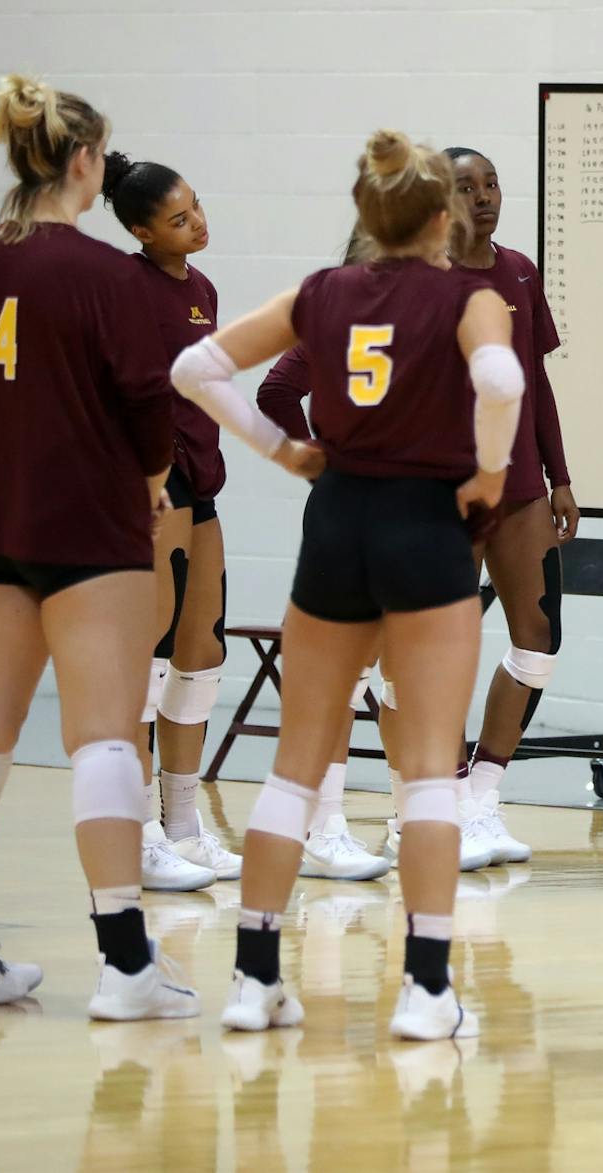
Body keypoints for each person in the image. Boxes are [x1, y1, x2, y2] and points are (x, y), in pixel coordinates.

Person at [175, 131, 521, 1041]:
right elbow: (501, 375)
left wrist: (283, 450)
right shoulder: (469, 295)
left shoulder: (322, 293)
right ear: (441, 218)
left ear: (366, 217)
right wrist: (489, 472)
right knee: (426, 774)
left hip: (336, 524)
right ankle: (426, 989)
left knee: (296, 762)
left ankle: (254, 980)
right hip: (425, 530)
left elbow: (196, 369)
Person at [0, 73, 175, 1017]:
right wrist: (153, 476)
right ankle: (125, 965)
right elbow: (151, 401)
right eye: (101, 154)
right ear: (81, 161)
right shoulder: (107, 274)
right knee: (104, 738)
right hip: (88, 528)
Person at [100, 151, 241, 886]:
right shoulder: (125, 284)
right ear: (140, 230)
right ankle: (142, 834)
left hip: (203, 476)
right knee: (148, 656)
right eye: (178, 218)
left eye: (198, 208)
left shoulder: (205, 286)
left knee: (203, 647)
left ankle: (186, 825)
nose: (197, 224)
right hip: (151, 482)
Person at [254, 228, 401, 883]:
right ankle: (323, 823)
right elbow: (272, 392)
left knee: (402, 667)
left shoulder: (426, 315)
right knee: (349, 671)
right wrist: (311, 460)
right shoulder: (336, 318)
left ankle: (407, 816)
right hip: (352, 508)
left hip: (410, 508)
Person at [446, 146, 578, 869]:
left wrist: (560, 473)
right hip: (446, 488)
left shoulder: (520, 270)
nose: (485, 195)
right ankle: (429, 796)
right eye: (467, 186)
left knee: (540, 635)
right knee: (442, 646)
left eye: (492, 182)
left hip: (522, 485)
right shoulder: (421, 276)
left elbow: (538, 385)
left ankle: (483, 797)